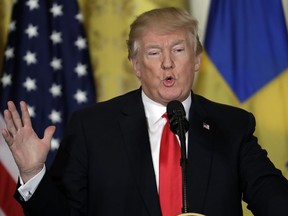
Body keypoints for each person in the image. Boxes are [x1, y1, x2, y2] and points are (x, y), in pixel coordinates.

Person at [2, 7, 288, 216]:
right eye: (153, 53)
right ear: (136, 66)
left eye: (178, 50)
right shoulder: (93, 128)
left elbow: (273, 197)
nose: (167, 64)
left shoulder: (232, 125)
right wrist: (32, 172)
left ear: (197, 59)